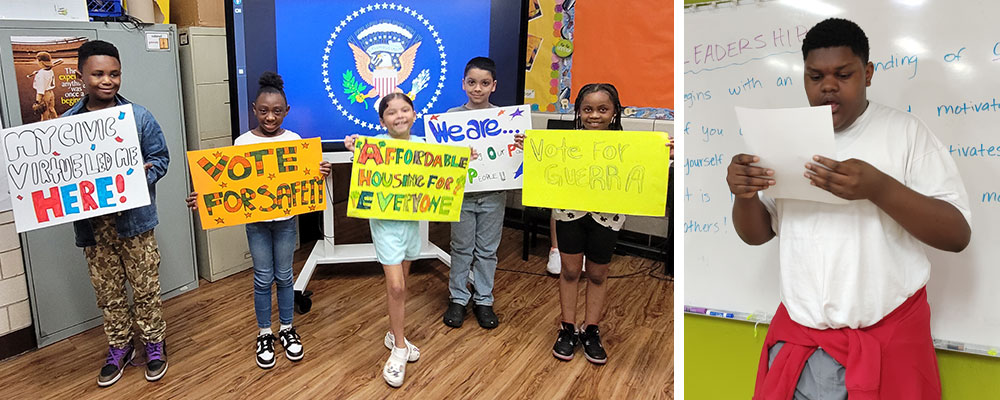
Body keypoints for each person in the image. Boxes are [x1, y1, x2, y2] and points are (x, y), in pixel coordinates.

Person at [725, 18, 971, 399]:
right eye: (815, 76)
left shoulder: (905, 132)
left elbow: (957, 235)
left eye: (843, 74)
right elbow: (758, 234)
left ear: (868, 73)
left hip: (885, 345)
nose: (828, 86)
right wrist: (743, 194)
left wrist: (879, 188)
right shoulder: (786, 137)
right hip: (799, 347)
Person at [186, 72, 331, 370]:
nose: (270, 117)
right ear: (253, 108)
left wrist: (321, 170)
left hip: (286, 220)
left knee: (285, 276)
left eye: (277, 111)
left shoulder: (294, 140)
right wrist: (203, 197)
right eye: (264, 110)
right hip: (256, 223)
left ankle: (287, 328)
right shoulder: (242, 143)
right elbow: (224, 184)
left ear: (287, 112)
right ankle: (265, 332)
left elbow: (306, 172)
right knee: (263, 277)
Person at [62, 40, 170, 387]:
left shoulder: (139, 117)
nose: (107, 80)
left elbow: (161, 159)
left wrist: (137, 177)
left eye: (114, 73)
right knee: (108, 292)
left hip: (134, 223)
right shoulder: (64, 125)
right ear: (80, 75)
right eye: (97, 74)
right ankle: (119, 346)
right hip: (94, 229)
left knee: (146, 287)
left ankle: (154, 343)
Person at [515, 83, 638, 365]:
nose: (595, 115)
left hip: (607, 216)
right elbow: (545, 165)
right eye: (588, 109)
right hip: (570, 214)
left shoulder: (629, 146)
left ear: (615, 112)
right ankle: (567, 327)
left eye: (603, 109)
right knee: (570, 270)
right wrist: (531, 148)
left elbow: (642, 170)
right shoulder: (565, 142)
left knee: (597, 272)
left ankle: (591, 328)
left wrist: (661, 153)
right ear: (579, 112)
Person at [344, 93, 427, 388]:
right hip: (384, 225)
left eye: (405, 110)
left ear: (414, 114)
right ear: (382, 120)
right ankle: (400, 348)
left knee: (402, 286)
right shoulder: (375, 146)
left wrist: (464, 156)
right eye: (392, 112)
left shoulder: (423, 146)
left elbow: (442, 172)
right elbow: (365, 174)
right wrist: (356, 150)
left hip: (411, 225)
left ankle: (395, 333)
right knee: (395, 285)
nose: (400, 116)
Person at [441, 56, 504, 329]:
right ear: (463, 85)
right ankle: (457, 297)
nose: (478, 88)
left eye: (484, 83)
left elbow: (512, 156)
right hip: (462, 195)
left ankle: (484, 300)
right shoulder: (451, 118)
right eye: (472, 83)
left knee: (487, 250)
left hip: (493, 194)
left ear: (494, 86)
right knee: (461, 248)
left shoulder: (504, 119)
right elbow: (441, 158)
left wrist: (521, 145)